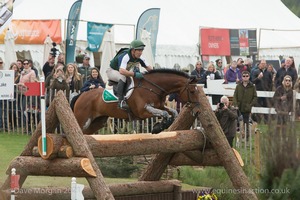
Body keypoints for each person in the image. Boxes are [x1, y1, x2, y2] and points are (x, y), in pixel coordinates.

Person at [106, 39, 153, 109]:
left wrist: (156, 75)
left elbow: (149, 68)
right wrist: (134, 74)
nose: (141, 53)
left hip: (122, 72)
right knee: (123, 78)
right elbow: (121, 71)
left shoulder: (140, 57)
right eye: (139, 50)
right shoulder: (125, 56)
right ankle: (120, 101)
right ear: (133, 50)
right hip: (111, 71)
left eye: (142, 50)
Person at [233, 71, 257, 141]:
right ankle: (238, 137)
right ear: (242, 77)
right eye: (244, 76)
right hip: (239, 107)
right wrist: (236, 104)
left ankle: (246, 138)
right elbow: (235, 96)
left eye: (247, 76)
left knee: (246, 122)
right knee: (238, 122)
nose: (245, 77)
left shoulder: (252, 86)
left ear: (249, 77)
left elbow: (255, 97)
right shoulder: (238, 86)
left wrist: (250, 105)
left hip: (247, 108)